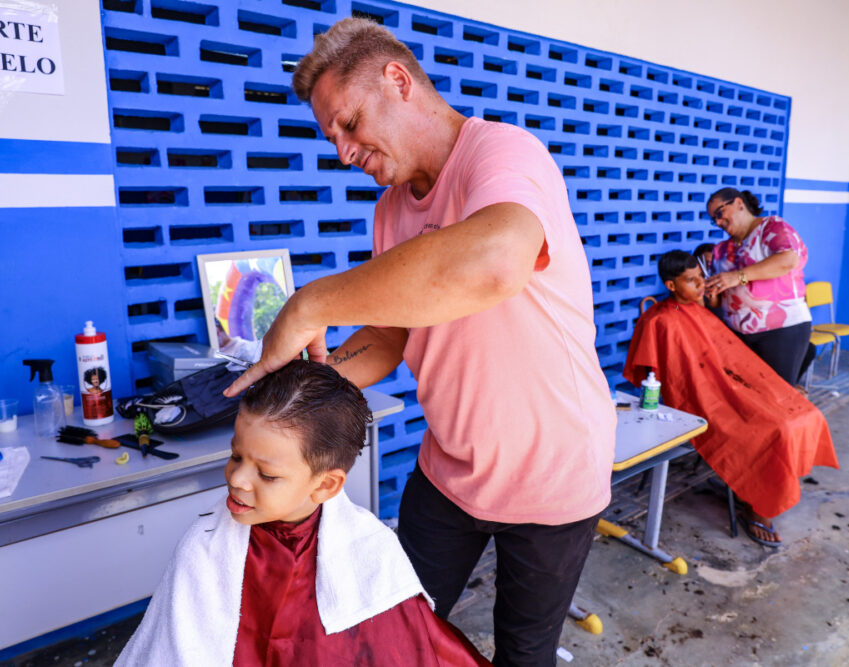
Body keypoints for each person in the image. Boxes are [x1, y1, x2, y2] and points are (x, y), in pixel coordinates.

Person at [224, 17, 616, 666]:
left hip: (553, 473)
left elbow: (496, 258)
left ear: (398, 81)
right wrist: (300, 389)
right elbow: (390, 335)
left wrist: (313, 301)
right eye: (333, 138)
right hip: (450, 472)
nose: (344, 150)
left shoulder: (503, 154)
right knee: (389, 632)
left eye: (349, 124)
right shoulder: (390, 210)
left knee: (522, 652)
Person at [117, 360, 489, 666]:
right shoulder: (204, 549)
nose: (238, 479)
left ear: (326, 485)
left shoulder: (371, 550)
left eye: (267, 474)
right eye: (235, 456)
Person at [623, 251, 838, 547]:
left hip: (729, 388)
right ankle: (756, 507)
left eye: (701, 278)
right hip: (699, 401)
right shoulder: (659, 321)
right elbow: (673, 380)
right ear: (671, 286)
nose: (701, 286)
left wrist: (765, 390)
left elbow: (731, 362)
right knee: (775, 429)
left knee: (804, 412)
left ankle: (769, 483)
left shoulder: (699, 313)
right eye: (691, 281)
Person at [704, 188, 813, 385]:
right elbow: (719, 301)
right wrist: (712, 292)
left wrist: (738, 277)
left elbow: (788, 260)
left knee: (775, 395)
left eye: (719, 214)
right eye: (714, 220)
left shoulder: (772, 228)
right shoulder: (721, 249)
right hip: (739, 334)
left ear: (738, 203)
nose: (718, 222)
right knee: (746, 397)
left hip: (781, 331)